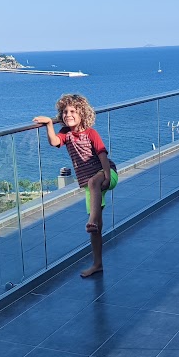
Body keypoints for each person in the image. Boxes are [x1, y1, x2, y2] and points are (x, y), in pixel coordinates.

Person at [33, 94, 118, 277]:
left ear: (82, 113)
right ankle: (97, 263)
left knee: (94, 182)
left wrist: (106, 177)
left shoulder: (91, 133)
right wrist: (49, 124)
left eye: (72, 111)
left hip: (106, 172)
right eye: (65, 112)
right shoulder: (66, 133)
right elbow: (54, 141)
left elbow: (102, 154)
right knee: (96, 229)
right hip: (90, 185)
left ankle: (91, 221)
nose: (68, 114)